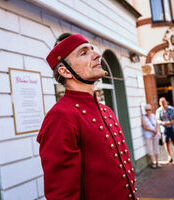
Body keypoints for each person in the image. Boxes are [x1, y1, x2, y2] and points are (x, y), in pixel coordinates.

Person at [37, 33, 138, 200]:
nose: (97, 54)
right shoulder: (60, 116)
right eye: (84, 53)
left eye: (92, 49)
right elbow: (62, 195)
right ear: (65, 71)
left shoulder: (106, 110)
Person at [156, 97, 174, 163]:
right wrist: (162, 122)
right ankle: (169, 156)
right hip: (164, 128)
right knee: (166, 143)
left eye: (164, 102)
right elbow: (157, 119)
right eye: (161, 102)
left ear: (166, 102)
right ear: (160, 103)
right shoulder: (158, 110)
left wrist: (170, 122)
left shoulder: (171, 109)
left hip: (172, 127)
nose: (163, 103)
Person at [142, 104, 161, 168]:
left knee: (156, 147)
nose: (148, 111)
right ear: (145, 110)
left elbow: (157, 123)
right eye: (147, 110)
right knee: (150, 148)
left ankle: (157, 162)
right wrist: (153, 131)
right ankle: (153, 162)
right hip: (148, 134)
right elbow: (144, 127)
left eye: (149, 110)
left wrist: (156, 130)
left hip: (155, 133)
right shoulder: (143, 118)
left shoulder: (153, 116)